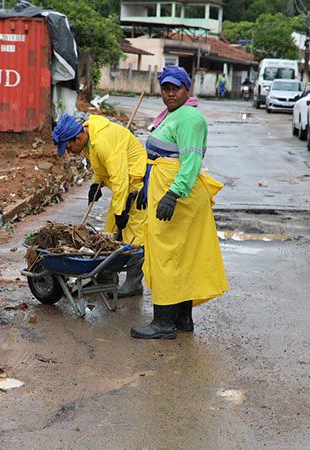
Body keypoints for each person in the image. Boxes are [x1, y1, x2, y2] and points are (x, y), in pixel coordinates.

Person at [131, 66, 228, 339]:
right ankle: (183, 318)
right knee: (181, 257)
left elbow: (191, 161)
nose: (170, 93)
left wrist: (173, 194)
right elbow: (158, 158)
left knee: (167, 257)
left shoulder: (190, 119)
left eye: (176, 88)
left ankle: (163, 323)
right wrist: (144, 188)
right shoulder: (173, 115)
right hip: (166, 192)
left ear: (188, 89)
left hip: (179, 198)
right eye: (166, 88)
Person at [52, 114, 148, 297]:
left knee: (134, 236)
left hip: (136, 186)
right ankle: (106, 277)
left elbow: (120, 180)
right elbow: (102, 167)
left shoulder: (102, 142)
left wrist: (121, 212)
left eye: (69, 146)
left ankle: (134, 284)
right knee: (110, 231)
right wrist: (97, 183)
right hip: (123, 186)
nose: (69, 151)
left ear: (78, 138)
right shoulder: (89, 141)